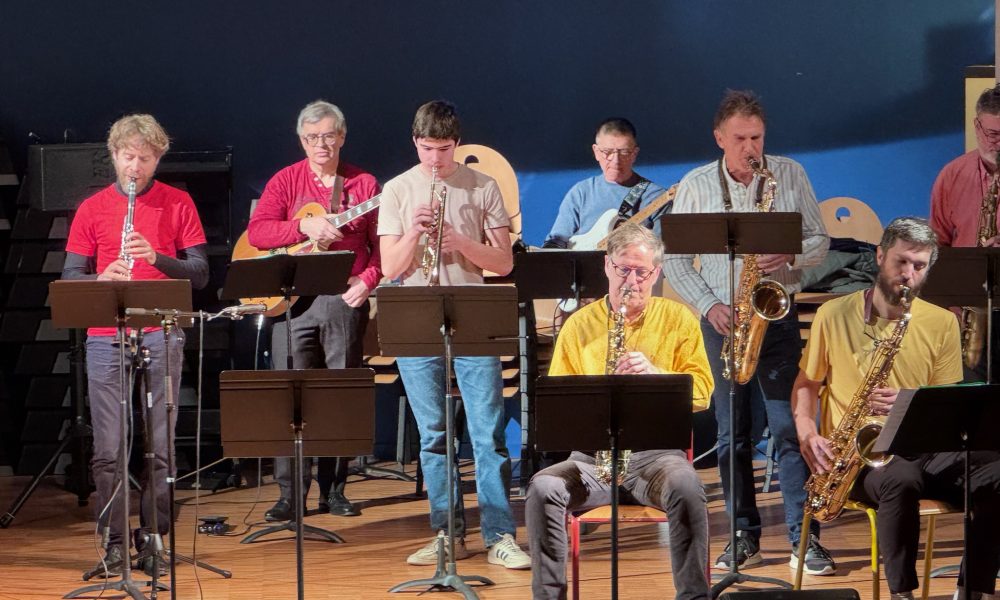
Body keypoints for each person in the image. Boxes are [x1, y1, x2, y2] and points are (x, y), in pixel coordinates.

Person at [663, 89, 834, 573]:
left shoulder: (788, 174)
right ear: (719, 137)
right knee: (732, 433)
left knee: (790, 427)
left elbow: (820, 239)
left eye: (757, 137)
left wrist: (791, 254)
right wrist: (709, 305)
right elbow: (676, 261)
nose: (750, 148)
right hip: (724, 322)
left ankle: (805, 537)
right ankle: (742, 535)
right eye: (740, 139)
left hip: (776, 318)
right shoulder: (695, 185)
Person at [792, 216, 1000, 600]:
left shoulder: (942, 322)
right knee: (900, 480)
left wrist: (912, 400)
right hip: (858, 456)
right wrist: (807, 431)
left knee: (996, 472)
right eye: (901, 262)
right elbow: (807, 384)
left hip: (924, 447)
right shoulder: (833, 314)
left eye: (919, 266)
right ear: (880, 256)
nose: (908, 274)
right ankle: (902, 595)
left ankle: (973, 589)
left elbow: (946, 402)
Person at [377, 100, 530, 569]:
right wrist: (413, 235)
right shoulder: (397, 189)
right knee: (433, 435)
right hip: (416, 317)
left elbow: (503, 263)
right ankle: (447, 533)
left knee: (487, 434)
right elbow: (390, 267)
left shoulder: (482, 186)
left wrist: (460, 241)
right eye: (427, 149)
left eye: (443, 149)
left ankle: (499, 534)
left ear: (456, 144)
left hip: (473, 316)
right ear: (415, 143)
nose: (435, 159)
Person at [526, 223, 714, 600]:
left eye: (641, 272)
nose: (631, 281)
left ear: (656, 273)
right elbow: (558, 403)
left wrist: (657, 374)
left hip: (656, 458)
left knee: (687, 486)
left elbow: (704, 393)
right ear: (607, 266)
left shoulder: (679, 319)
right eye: (623, 269)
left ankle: (694, 596)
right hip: (590, 460)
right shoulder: (579, 325)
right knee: (543, 487)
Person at [63, 114, 209, 576]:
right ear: (114, 156)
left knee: (160, 447)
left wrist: (157, 258)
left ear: (157, 159)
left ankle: (154, 539)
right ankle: (112, 543)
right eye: (128, 157)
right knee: (109, 450)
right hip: (107, 337)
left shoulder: (178, 202)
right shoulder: (92, 208)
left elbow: (200, 274)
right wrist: (101, 277)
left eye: (145, 159)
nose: (135, 167)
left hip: (161, 333)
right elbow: (69, 277)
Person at [247, 100, 381, 520]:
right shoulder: (286, 180)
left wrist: (367, 280)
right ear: (301, 141)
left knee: (338, 396)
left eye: (327, 136)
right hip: (293, 303)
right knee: (292, 397)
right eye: (311, 138)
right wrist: (302, 226)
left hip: (343, 299)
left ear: (341, 137)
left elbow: (383, 245)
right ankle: (290, 495)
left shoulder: (364, 184)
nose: (320, 145)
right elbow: (257, 232)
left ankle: (334, 490)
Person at [929, 82, 1000, 382]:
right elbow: (938, 246)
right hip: (970, 317)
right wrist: (949, 310)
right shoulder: (952, 175)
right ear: (976, 126)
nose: (999, 144)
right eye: (993, 134)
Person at [543, 117, 672, 249]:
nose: (616, 160)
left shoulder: (656, 196)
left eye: (624, 152)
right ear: (596, 152)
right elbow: (557, 241)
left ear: (634, 154)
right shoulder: (581, 192)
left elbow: (662, 252)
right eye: (607, 152)